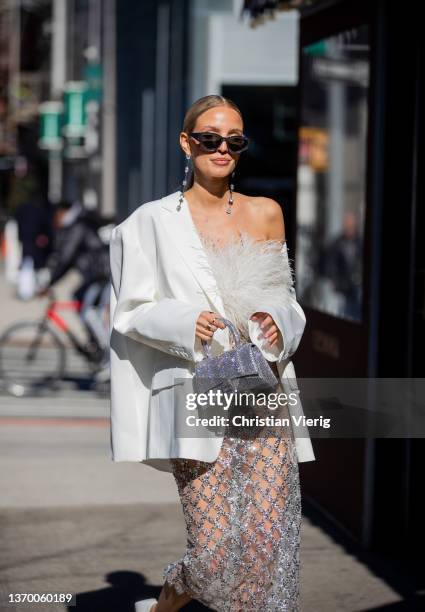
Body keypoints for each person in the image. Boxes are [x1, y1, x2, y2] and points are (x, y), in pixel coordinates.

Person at [109, 95, 316, 612]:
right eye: (210, 139)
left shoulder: (265, 213)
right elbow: (129, 311)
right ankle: (166, 602)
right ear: (187, 142)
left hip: (260, 392)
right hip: (192, 394)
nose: (222, 149)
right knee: (216, 553)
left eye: (234, 140)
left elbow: (285, 295)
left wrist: (275, 321)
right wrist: (184, 321)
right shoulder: (149, 223)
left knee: (267, 547)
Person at [38, 199, 111, 364]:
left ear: (63, 212)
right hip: (95, 274)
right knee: (77, 296)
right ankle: (95, 343)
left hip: (101, 273)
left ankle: (109, 358)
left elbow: (66, 257)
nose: (56, 220)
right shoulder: (79, 222)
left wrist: (49, 284)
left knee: (89, 312)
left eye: (56, 215)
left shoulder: (78, 225)